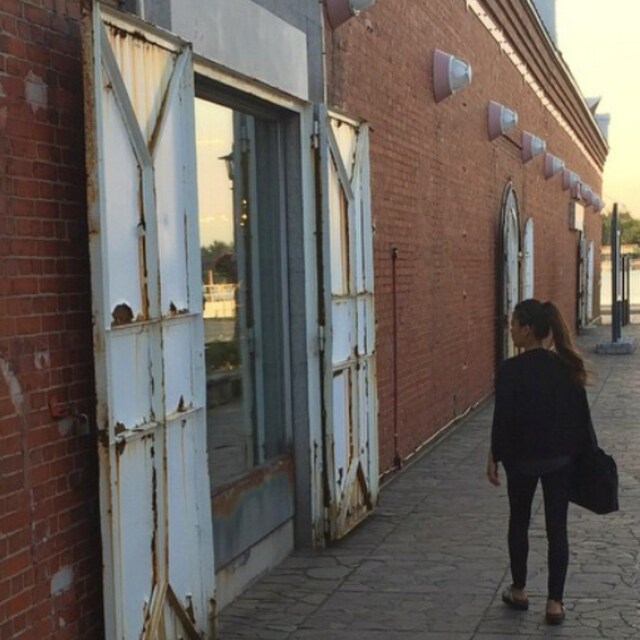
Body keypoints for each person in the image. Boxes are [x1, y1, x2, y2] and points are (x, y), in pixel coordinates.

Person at [486, 299, 591, 625]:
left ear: (528, 329)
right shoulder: (566, 366)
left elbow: (502, 419)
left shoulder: (510, 370)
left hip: (521, 461)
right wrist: (583, 456)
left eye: (514, 324)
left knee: (518, 522)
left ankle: (519, 590)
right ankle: (555, 604)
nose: (511, 329)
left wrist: (495, 455)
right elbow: (580, 418)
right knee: (557, 528)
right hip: (560, 460)